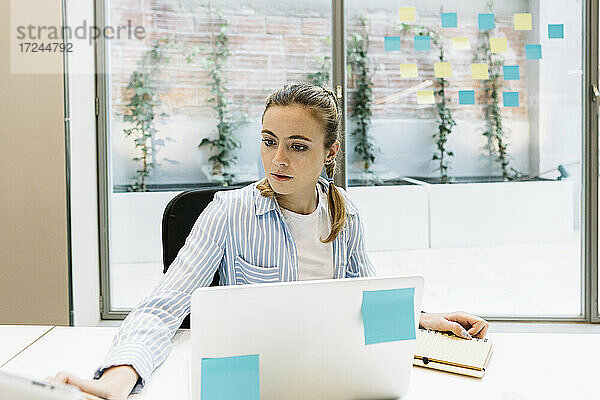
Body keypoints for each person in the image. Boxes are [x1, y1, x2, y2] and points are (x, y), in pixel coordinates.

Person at [47, 82, 489, 399]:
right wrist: (116, 379)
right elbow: (163, 307)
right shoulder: (228, 213)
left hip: (326, 371)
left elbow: (366, 299)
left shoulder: (345, 214)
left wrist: (421, 316)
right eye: (269, 141)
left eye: (298, 146)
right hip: (246, 375)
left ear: (329, 153)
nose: (278, 159)